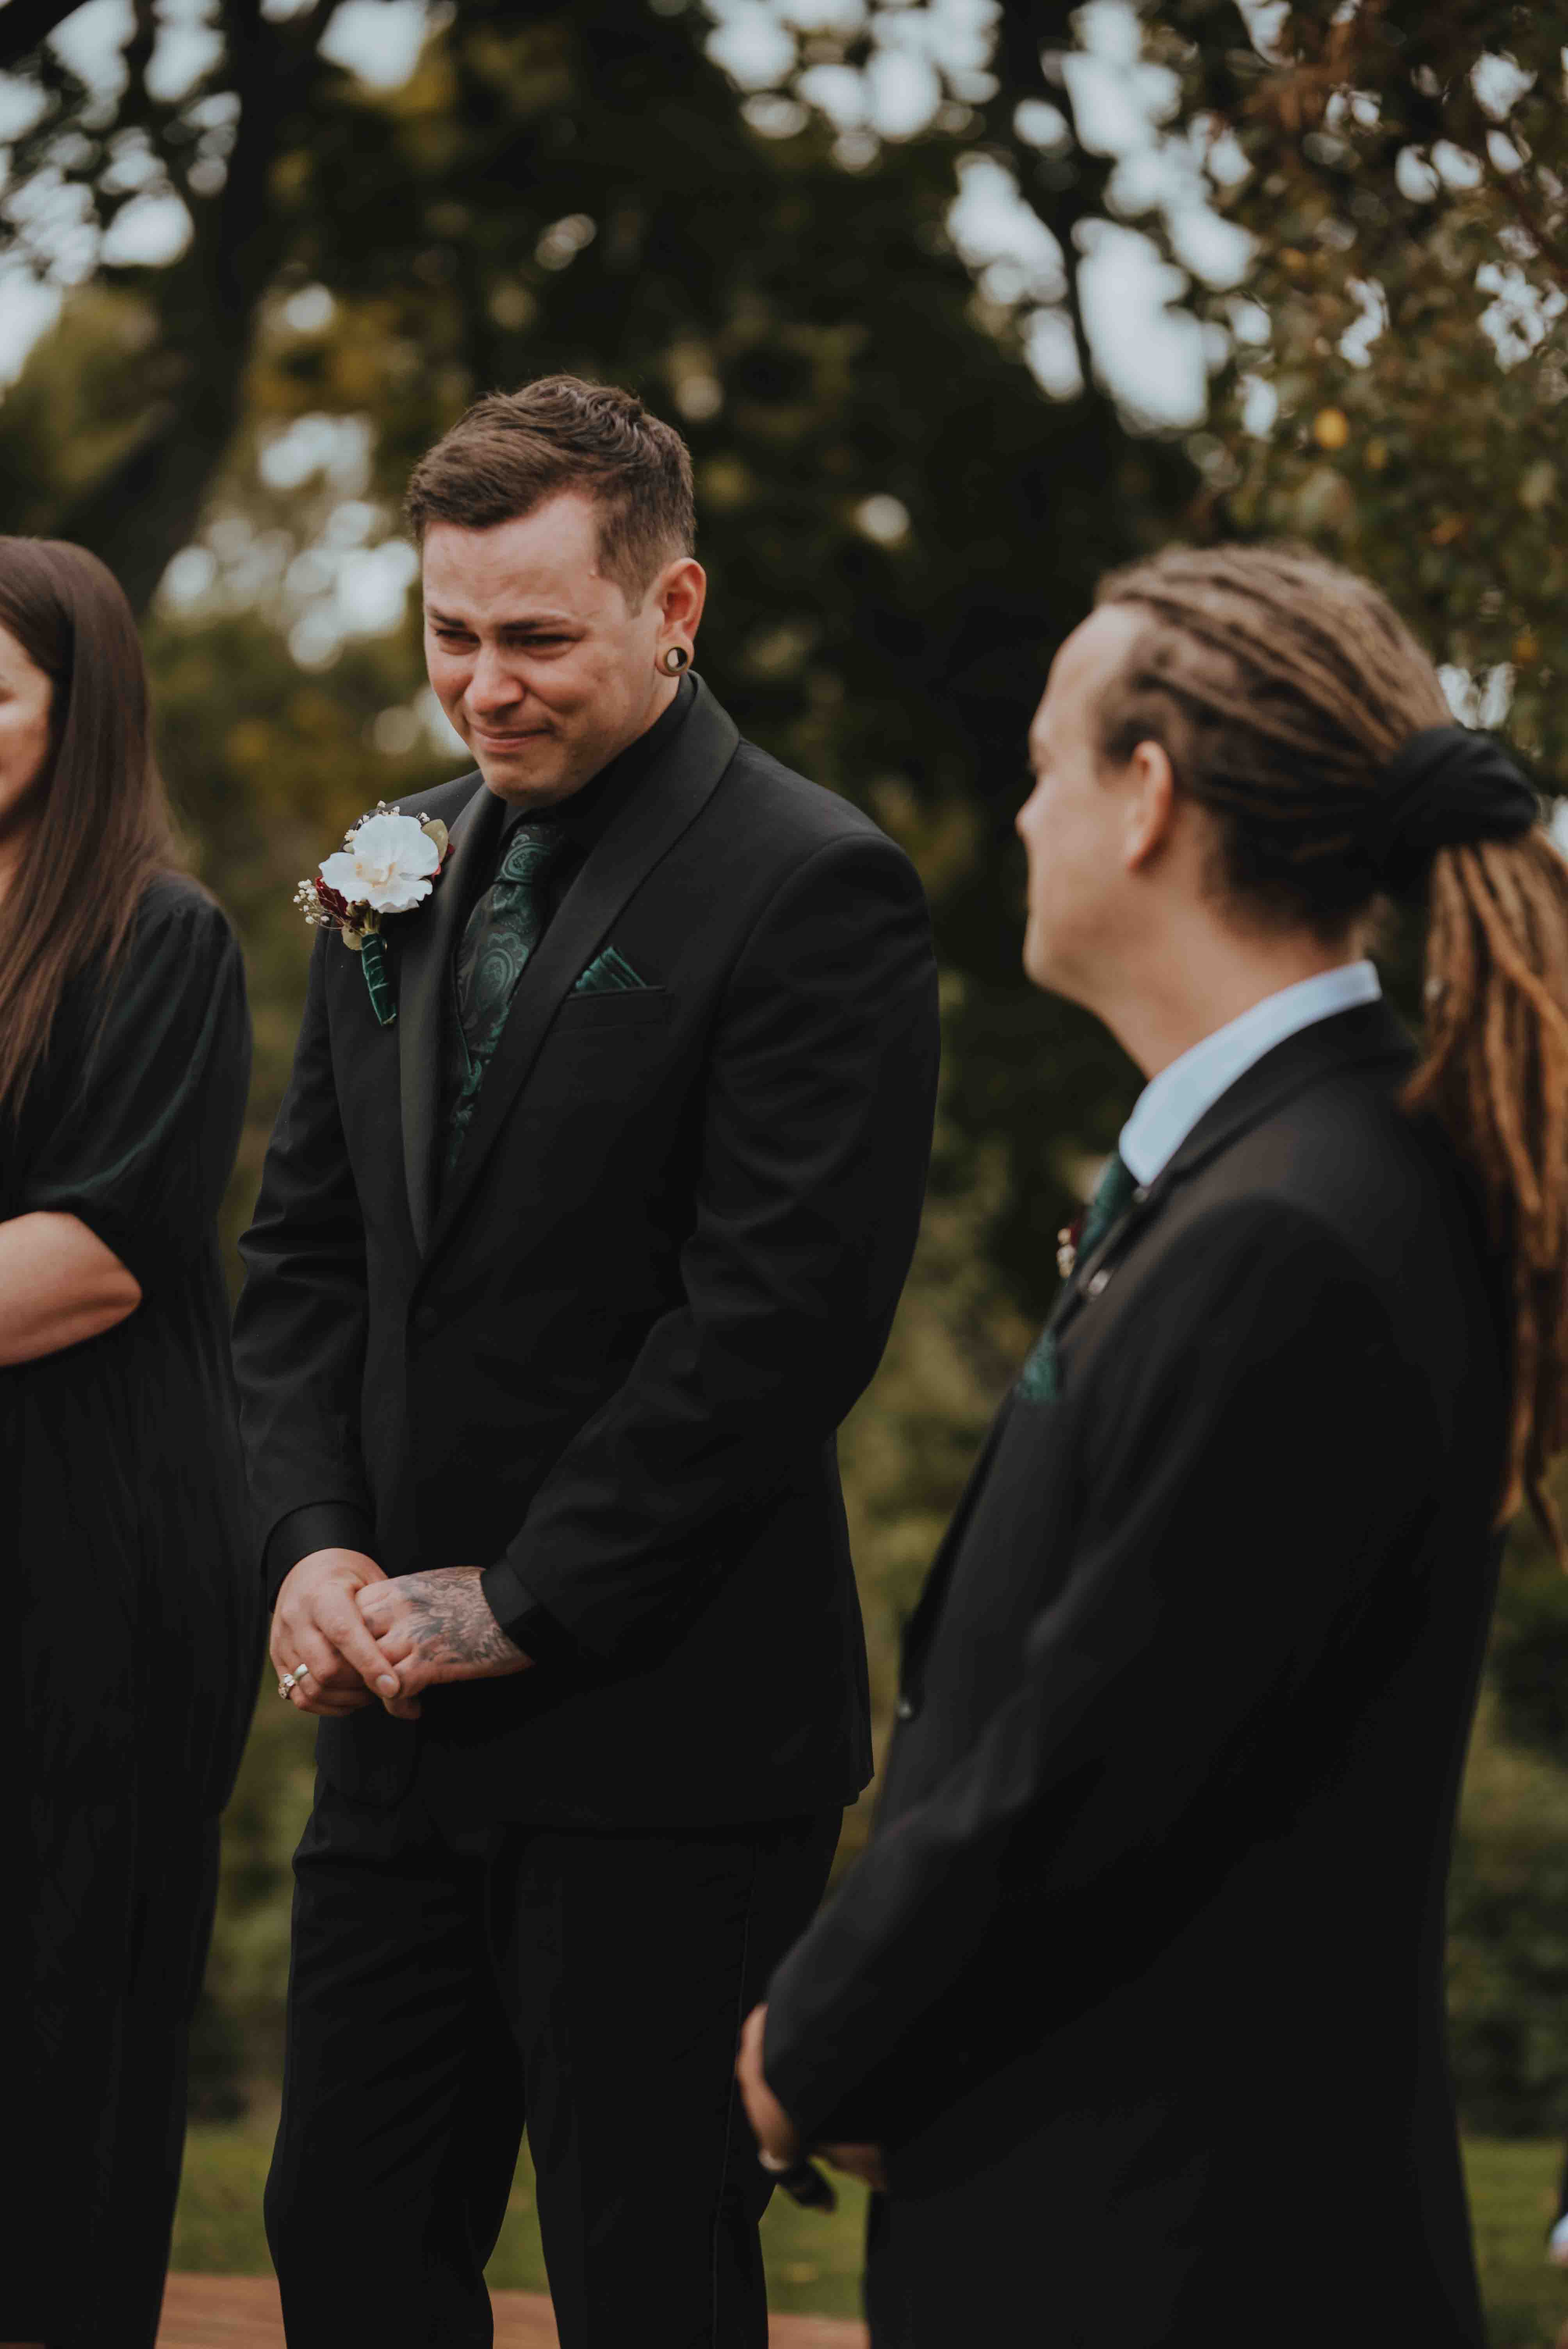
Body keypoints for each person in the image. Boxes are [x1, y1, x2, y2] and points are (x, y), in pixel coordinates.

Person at [739, 542, 1567, 2347]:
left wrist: (809, 2039)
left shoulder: (1290, 1229)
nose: (1018, 810)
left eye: (1045, 761)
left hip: (1176, 2259)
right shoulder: (1290, 1171)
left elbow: (1081, 1755)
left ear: (1144, 797)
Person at [232, 375, 940, 2347]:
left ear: (672, 603)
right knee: (345, 2241)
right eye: (449, 633)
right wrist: (306, 1540)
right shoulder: (389, 861)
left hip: (667, 1737)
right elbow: (300, 1258)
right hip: (386, 1724)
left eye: (534, 635)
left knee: (644, 2276)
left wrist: (526, 1600)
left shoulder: (813, 883)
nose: (482, 685)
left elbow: (778, 1317)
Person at [4, 538, 256, 2349]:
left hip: (90, 1546)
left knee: (67, 1991)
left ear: (75, 716)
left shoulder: (162, 938)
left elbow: (91, 1264)